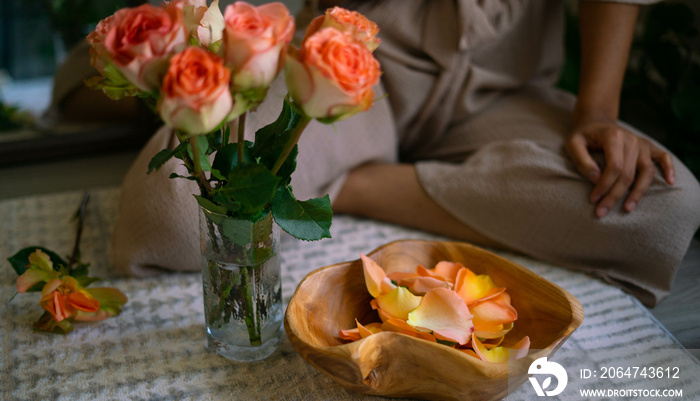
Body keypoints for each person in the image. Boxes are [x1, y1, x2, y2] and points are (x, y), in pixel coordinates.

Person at [107, 0, 700, 307]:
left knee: (661, 207)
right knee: (178, 215)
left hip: (503, 88)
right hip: (352, 71)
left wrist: (596, 114)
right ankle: (333, 165)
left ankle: (356, 184)